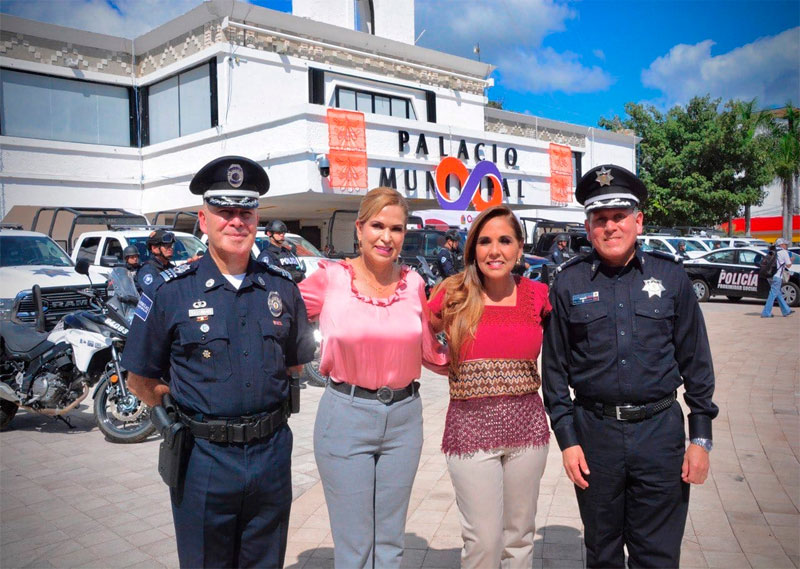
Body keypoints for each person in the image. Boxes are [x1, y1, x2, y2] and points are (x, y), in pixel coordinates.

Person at [122, 156, 315, 569]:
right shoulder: (170, 292)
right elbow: (138, 376)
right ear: (203, 218)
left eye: (245, 212)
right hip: (202, 459)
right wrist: (178, 412)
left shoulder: (280, 288)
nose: (236, 222)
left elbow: (296, 365)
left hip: (271, 455)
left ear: (257, 218)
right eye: (224, 211)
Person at [542, 164, 718, 569]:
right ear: (588, 228)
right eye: (599, 219)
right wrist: (568, 440)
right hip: (595, 436)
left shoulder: (671, 278)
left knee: (657, 554)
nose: (610, 227)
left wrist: (701, 439)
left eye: (619, 217)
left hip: (660, 436)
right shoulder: (568, 284)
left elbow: (697, 363)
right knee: (602, 553)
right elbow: (554, 373)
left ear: (638, 221)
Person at [297, 187, 447, 569]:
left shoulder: (413, 284)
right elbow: (275, 315)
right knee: (355, 547)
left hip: (404, 419)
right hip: (345, 416)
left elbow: (431, 350)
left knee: (390, 544)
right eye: (377, 225)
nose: (386, 237)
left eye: (396, 229)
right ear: (360, 229)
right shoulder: (329, 279)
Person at [428, 205, 551, 569]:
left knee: (519, 538)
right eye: (484, 241)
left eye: (504, 240)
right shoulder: (452, 293)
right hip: (469, 433)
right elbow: (418, 334)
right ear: (472, 248)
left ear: (519, 248)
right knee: (483, 540)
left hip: (527, 434)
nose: (493, 251)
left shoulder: (539, 296)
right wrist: (446, 364)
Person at [761, 237, 795, 318]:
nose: (786, 245)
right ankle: (766, 313)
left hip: (770, 276)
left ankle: (786, 310)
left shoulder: (773, 251)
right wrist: (791, 260)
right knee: (773, 294)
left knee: (778, 293)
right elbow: (788, 265)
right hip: (777, 276)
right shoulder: (783, 252)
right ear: (781, 245)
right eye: (785, 244)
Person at [136, 229, 175, 296]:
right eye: (166, 246)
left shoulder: (172, 268)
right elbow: (154, 294)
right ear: (154, 248)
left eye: (171, 246)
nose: (170, 248)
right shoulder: (147, 270)